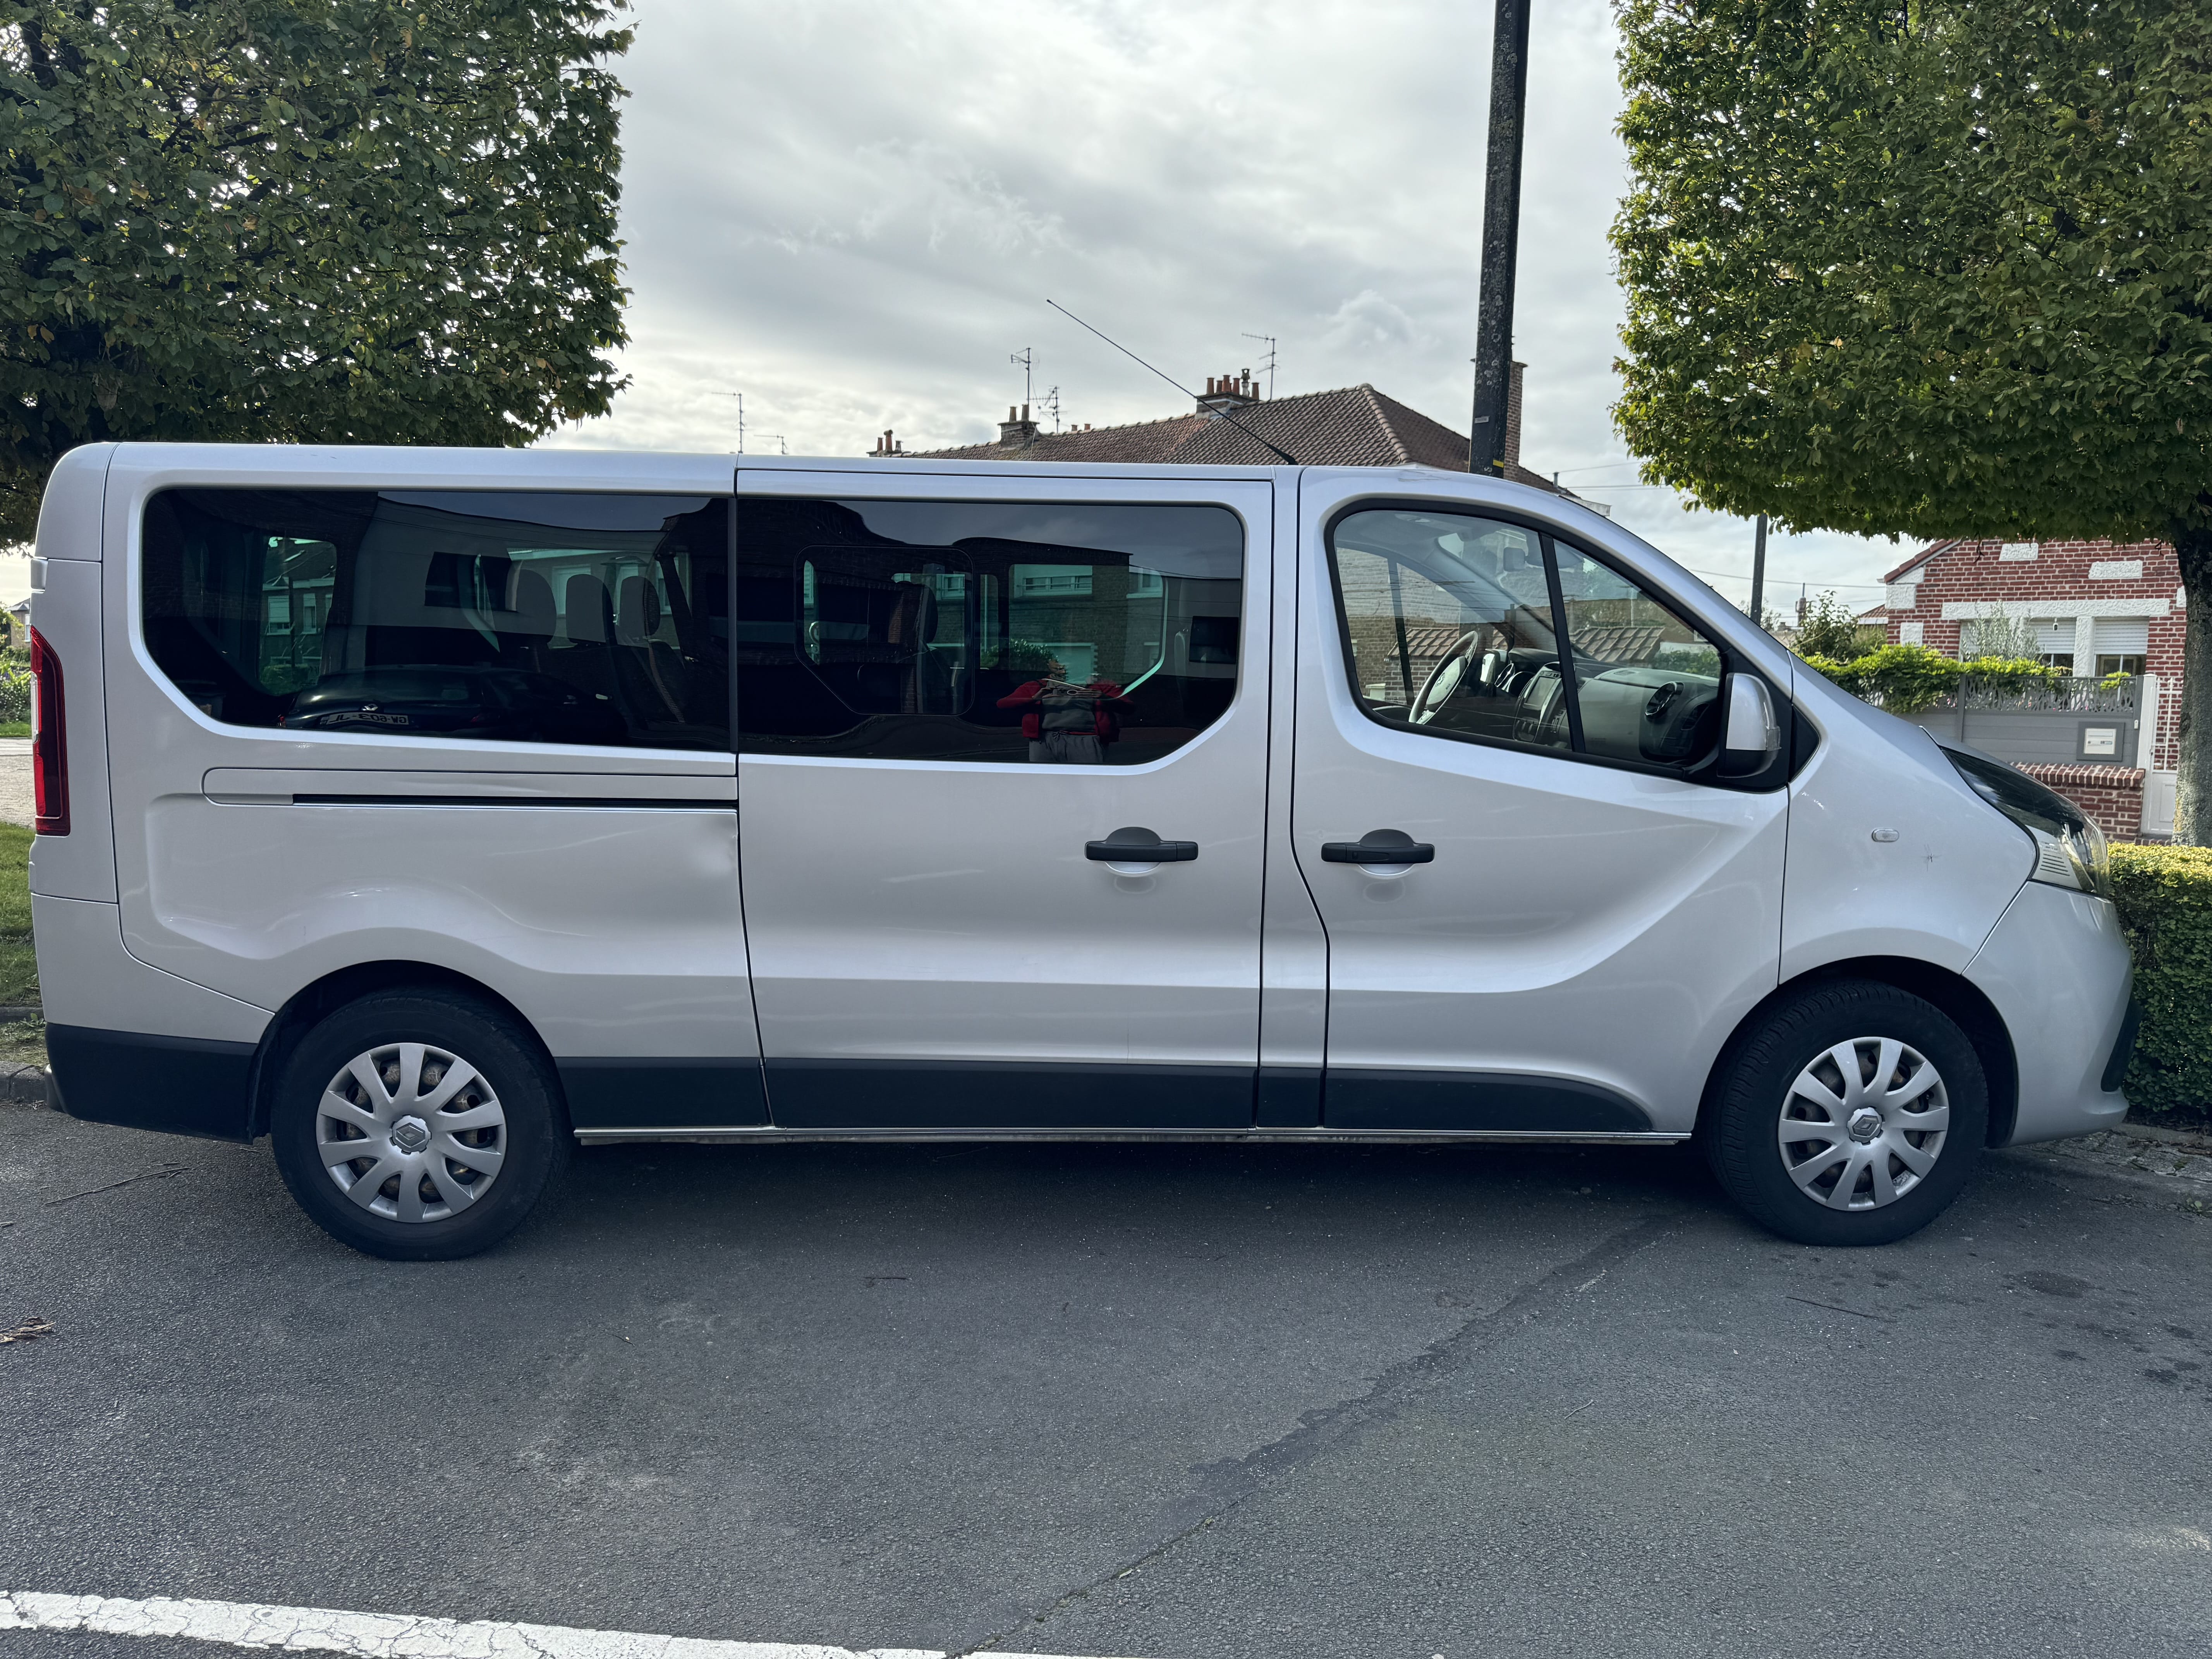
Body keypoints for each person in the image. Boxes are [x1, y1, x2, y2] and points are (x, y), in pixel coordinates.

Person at [997, 656, 1132, 764]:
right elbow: (1003, 704)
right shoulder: (1037, 685)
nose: (1064, 668)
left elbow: (1129, 708)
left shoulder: (1101, 685)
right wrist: (1034, 698)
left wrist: (1104, 698)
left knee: (1088, 781)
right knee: (1044, 782)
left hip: (1086, 740)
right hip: (1044, 740)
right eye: (1058, 663)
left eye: (1068, 663)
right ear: (1049, 665)